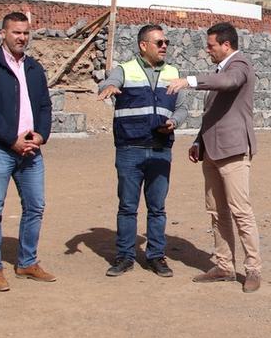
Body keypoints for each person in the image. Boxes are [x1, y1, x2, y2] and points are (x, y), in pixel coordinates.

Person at [165, 22, 262, 293]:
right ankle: (224, 266)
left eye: (211, 46)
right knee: (217, 212)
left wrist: (189, 80)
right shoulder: (219, 71)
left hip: (233, 152)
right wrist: (199, 141)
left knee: (241, 212)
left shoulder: (240, 65)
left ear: (226, 45)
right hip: (212, 151)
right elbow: (213, 116)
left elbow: (229, 83)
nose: (208, 50)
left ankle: (253, 269)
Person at [0, 11, 56, 292]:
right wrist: (11, 140)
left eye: (26, 33)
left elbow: (44, 105)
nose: (22, 37)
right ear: (3, 33)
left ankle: (27, 262)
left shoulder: (34, 68)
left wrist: (41, 135)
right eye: (16, 32)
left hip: (31, 149)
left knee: (35, 206)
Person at [96, 24, 186, 278]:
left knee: (157, 208)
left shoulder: (173, 73)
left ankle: (156, 256)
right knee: (127, 206)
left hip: (160, 151)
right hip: (130, 149)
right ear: (143, 45)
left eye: (166, 41)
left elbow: (182, 109)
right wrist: (110, 87)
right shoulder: (125, 70)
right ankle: (125, 256)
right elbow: (111, 81)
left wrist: (174, 122)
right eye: (159, 42)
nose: (164, 46)